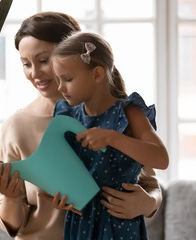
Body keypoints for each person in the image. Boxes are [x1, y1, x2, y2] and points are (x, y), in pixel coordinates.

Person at [0, 12, 163, 240]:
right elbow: (11, 223)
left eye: (44, 61)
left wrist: (148, 202)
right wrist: (12, 198)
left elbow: (149, 181)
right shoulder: (16, 126)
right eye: (26, 64)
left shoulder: (116, 115)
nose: (34, 73)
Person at [52, 31, 169, 239]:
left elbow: (161, 158)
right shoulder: (67, 116)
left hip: (121, 225)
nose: (60, 88)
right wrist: (58, 196)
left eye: (67, 79)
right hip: (81, 224)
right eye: (58, 80)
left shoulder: (129, 112)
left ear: (97, 74)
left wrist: (112, 138)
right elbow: (60, 173)